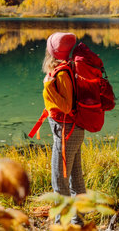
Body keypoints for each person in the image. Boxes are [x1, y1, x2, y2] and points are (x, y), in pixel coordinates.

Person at [42, 32, 86, 226]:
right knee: (75, 179)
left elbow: (66, 106)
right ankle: (79, 222)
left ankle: (62, 225)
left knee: (59, 181)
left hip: (67, 131)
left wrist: (48, 87)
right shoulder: (68, 68)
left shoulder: (62, 73)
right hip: (72, 130)